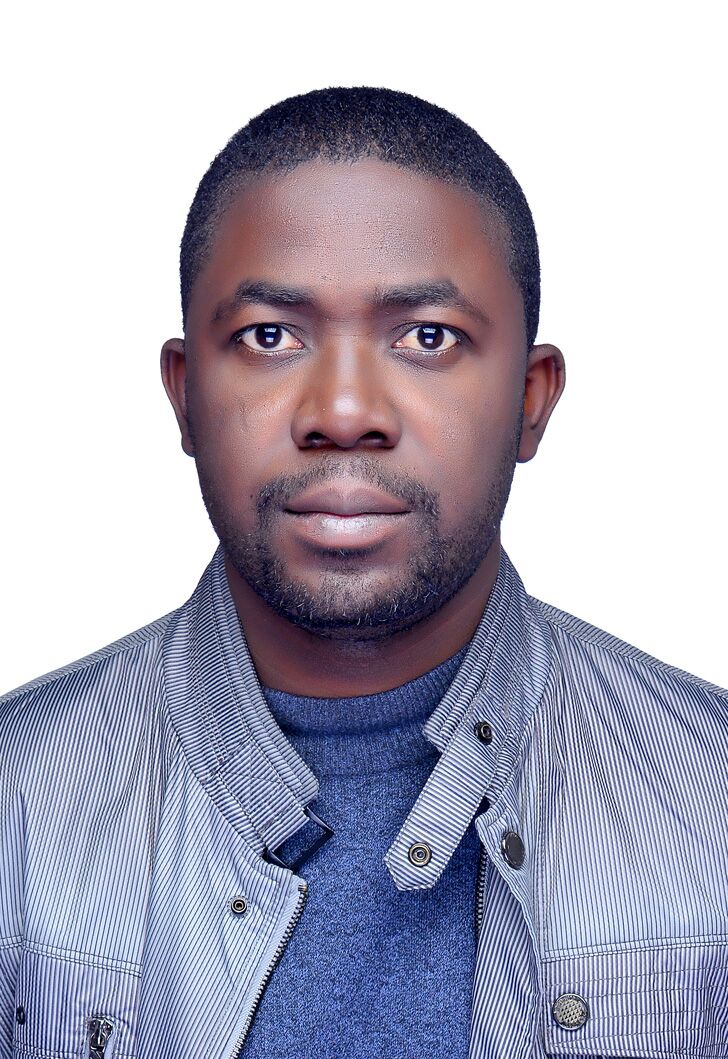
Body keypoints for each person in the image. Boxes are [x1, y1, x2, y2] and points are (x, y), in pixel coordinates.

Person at [1, 86, 726, 1059]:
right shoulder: (16, 799)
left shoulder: (713, 799)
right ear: (185, 396)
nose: (343, 413)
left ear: (530, 398)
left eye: (426, 337)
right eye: (270, 336)